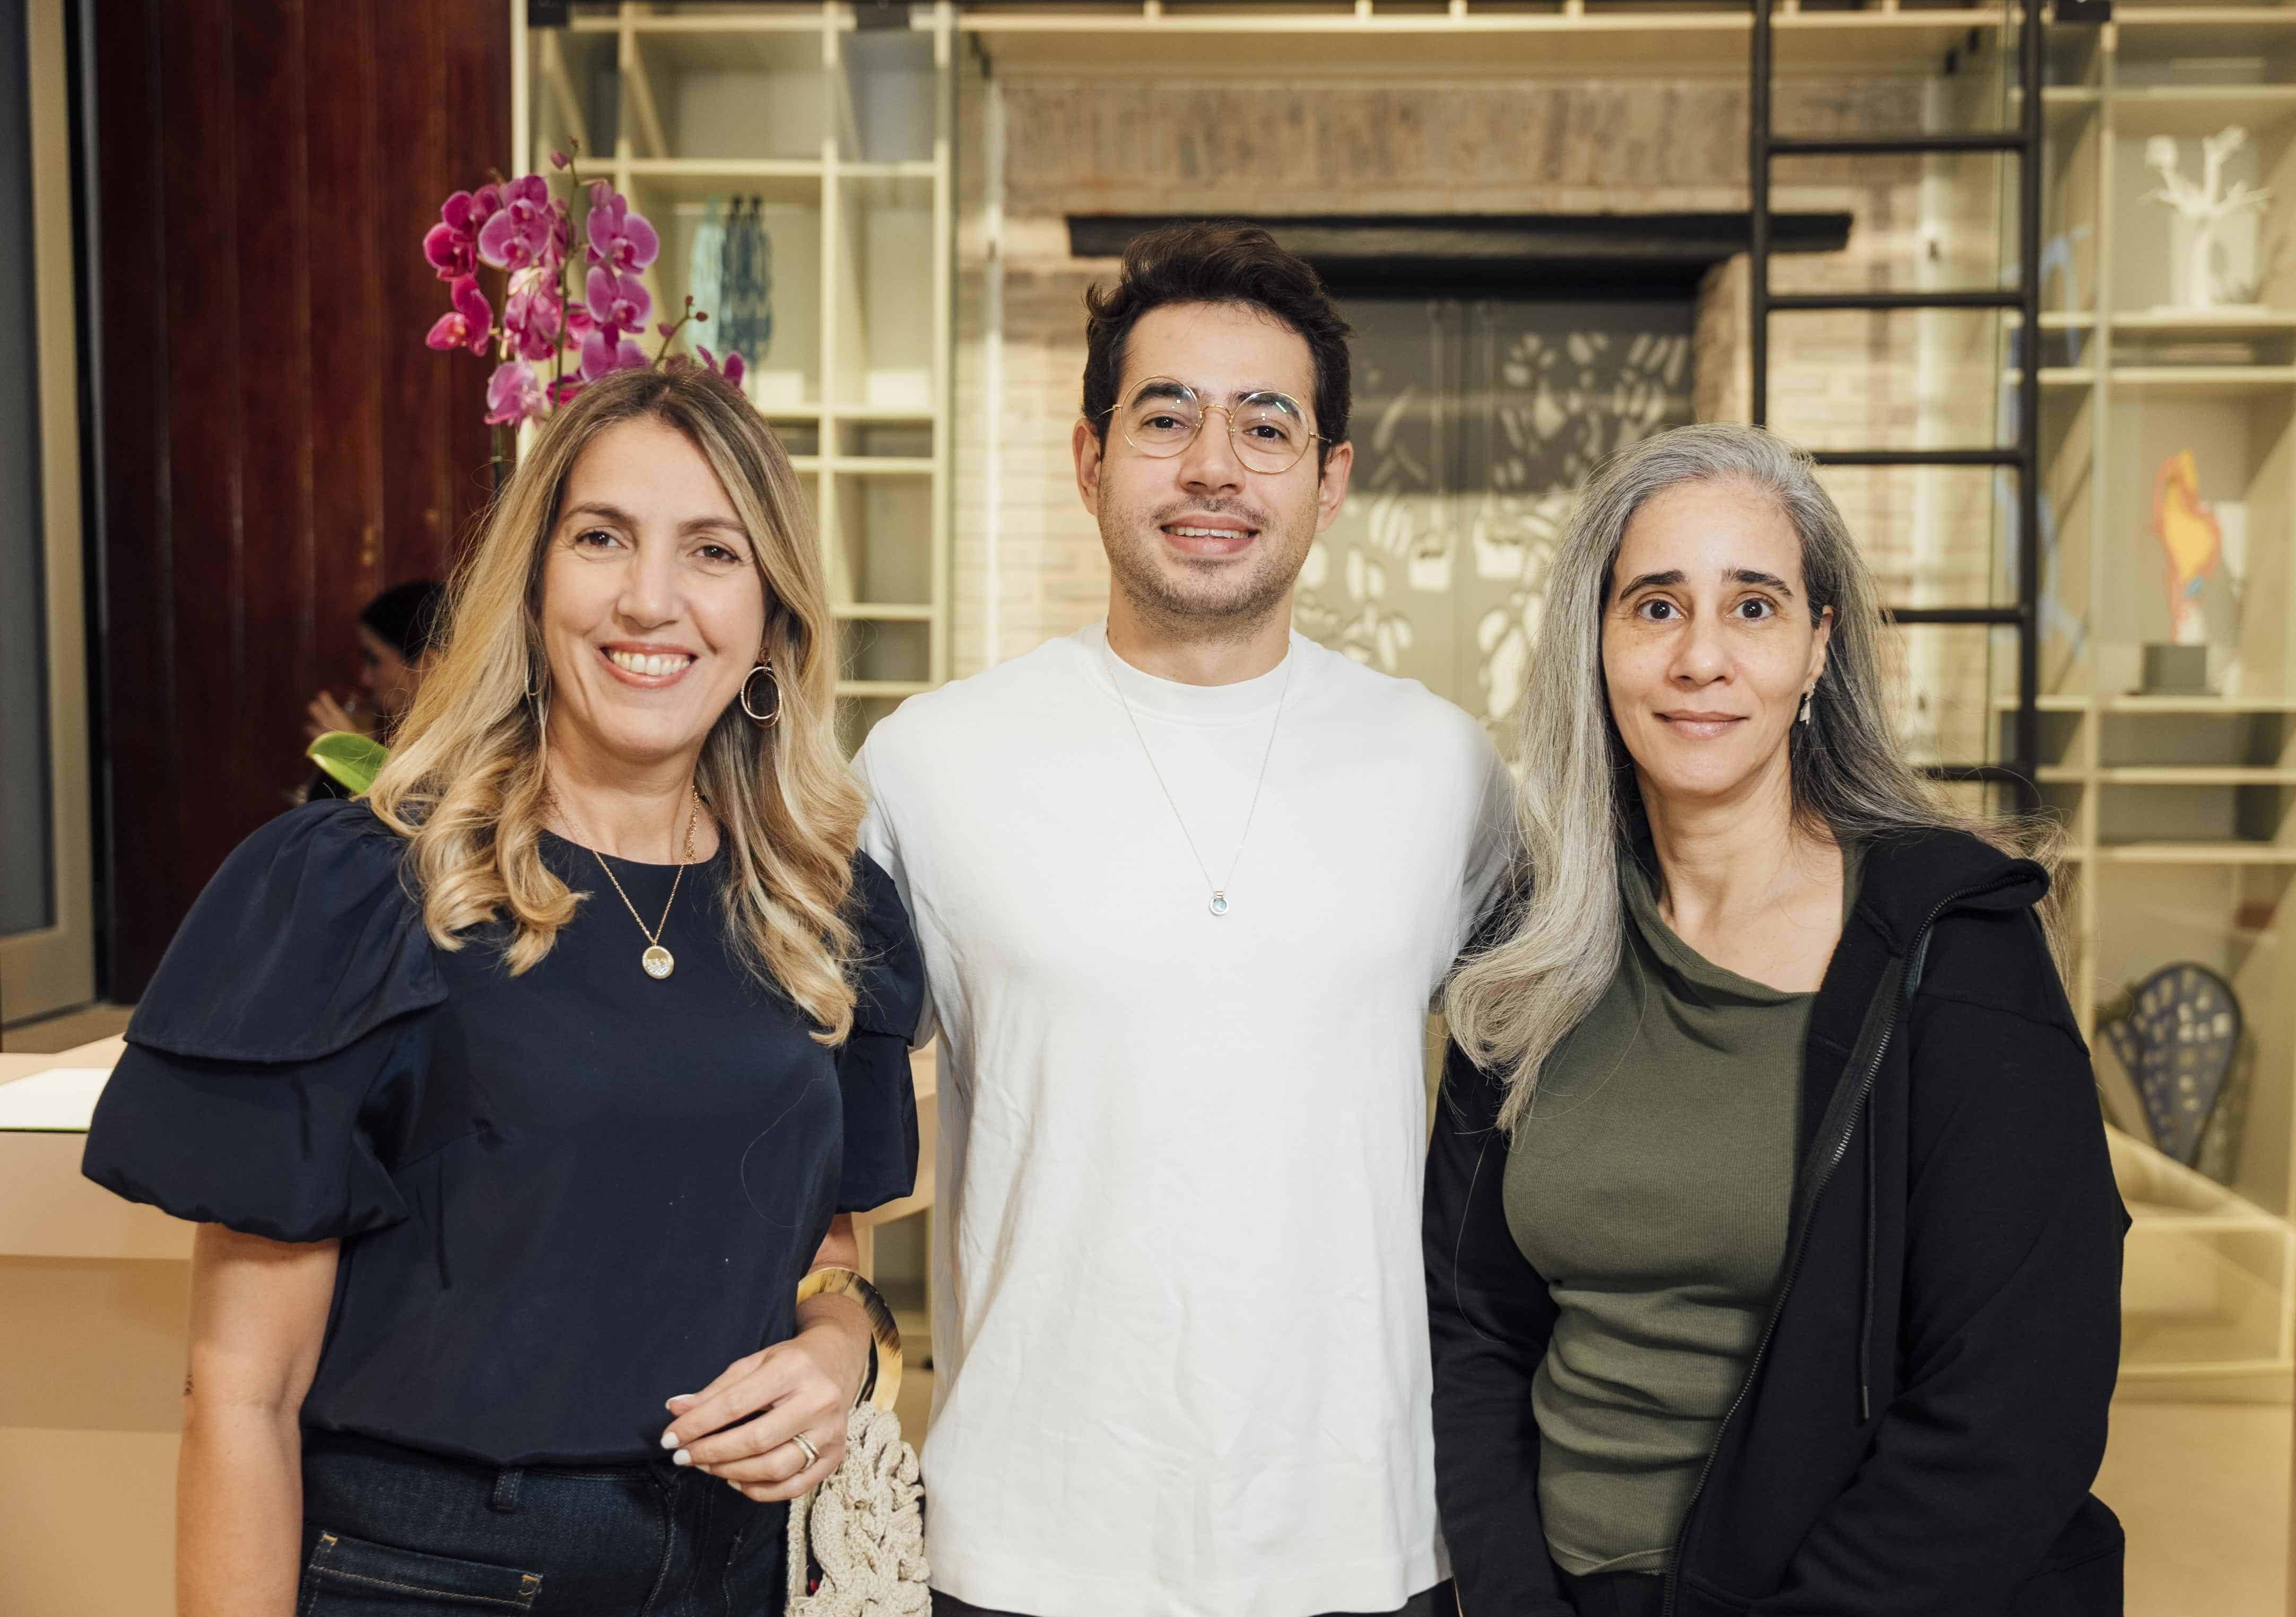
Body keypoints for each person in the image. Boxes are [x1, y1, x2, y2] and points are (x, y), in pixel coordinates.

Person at [83, 366, 924, 1616]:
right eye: (602, 538)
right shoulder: (361, 890)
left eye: (712, 550)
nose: (651, 597)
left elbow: (823, 1250)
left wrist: (841, 1348)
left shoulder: (821, 905)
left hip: (733, 1568)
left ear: (772, 617)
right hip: (427, 1577)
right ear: (531, 589)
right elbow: (242, 1392)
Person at [854, 222, 1512, 1616]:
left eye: (1267, 427)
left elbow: (1556, 1089)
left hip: (1368, 1538)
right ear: (1089, 459)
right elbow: (788, 1094)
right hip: (1030, 1541)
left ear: (1332, 481)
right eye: (1168, 418)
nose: (1215, 465)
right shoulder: (931, 764)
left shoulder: (1444, 767)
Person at [1426, 423, 2127, 1617]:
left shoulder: (1953, 948)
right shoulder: (1533, 950)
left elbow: (2013, 1410)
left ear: (1818, 648)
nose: (1702, 657)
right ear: (1597, 647)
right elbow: (1469, 1325)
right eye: (1655, 607)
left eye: (1753, 607)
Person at [303, 578, 446, 743]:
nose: (366, 679)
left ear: (428, 665)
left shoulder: (465, 743)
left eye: (375, 660)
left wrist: (352, 753)